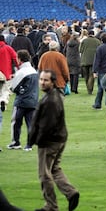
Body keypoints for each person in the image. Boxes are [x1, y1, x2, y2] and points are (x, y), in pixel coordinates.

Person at [28, 70, 80, 211]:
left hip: (50, 141)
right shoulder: (55, 96)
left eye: (46, 80)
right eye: (41, 79)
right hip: (59, 138)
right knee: (54, 169)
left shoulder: (51, 100)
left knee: (44, 174)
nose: (42, 82)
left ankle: (51, 206)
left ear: (52, 82)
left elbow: (46, 125)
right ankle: (71, 192)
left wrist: (37, 140)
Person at [7, 50, 38, 151]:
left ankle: (16, 142)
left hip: (21, 101)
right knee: (30, 123)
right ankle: (29, 145)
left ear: (19, 59)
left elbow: (13, 87)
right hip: (33, 100)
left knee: (16, 122)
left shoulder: (21, 72)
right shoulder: (34, 70)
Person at [80, 30, 101, 95]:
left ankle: (88, 88)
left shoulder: (84, 41)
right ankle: (90, 89)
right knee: (91, 75)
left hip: (84, 60)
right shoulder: (97, 41)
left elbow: (80, 50)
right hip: (93, 60)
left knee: (86, 76)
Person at [0, 34, 18, 111]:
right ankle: (3, 100)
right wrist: (18, 67)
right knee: (6, 89)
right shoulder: (8, 48)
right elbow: (15, 57)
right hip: (6, 73)